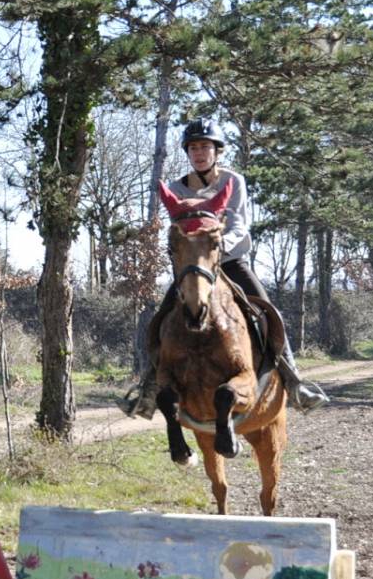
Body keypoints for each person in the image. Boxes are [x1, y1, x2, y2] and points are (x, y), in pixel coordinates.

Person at [123, 118, 329, 418]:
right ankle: (148, 390)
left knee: (270, 313)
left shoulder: (234, 181)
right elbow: (179, 230)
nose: (199, 153)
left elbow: (239, 226)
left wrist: (216, 249)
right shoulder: (178, 187)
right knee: (161, 320)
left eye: (205, 146)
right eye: (193, 147)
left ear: (217, 151)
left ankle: (295, 383)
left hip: (230, 262)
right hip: (194, 269)